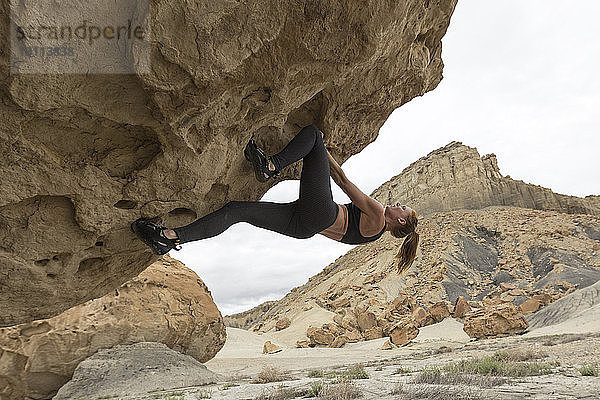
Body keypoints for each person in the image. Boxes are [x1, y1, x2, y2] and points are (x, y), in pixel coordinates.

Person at [131, 125, 419, 274]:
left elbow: (342, 180)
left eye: (402, 207)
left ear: (400, 220)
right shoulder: (373, 235)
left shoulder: (379, 214)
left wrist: (322, 146)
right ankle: (169, 237)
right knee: (235, 211)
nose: (397, 204)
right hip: (305, 227)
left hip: (320, 214)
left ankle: (271, 166)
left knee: (311, 134)